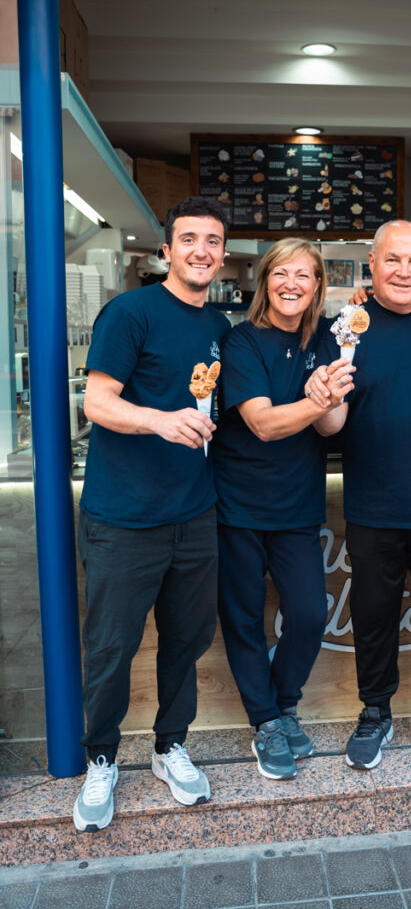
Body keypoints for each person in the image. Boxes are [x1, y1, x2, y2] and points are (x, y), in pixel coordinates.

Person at [73, 196, 231, 832]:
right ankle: (102, 760)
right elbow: (98, 403)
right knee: (111, 648)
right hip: (123, 518)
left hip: (195, 515)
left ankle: (170, 747)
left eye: (212, 241)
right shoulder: (129, 313)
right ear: (167, 249)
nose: (201, 250)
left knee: (186, 642)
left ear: (222, 253)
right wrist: (160, 420)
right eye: (188, 238)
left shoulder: (220, 326)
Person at [308, 220, 411, 770]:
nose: (404, 271)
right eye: (392, 260)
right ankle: (375, 711)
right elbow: (330, 427)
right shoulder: (345, 327)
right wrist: (324, 401)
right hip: (374, 504)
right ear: (372, 265)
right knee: (375, 615)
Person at [212, 238, 352, 780]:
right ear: (265, 280)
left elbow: (333, 428)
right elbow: (264, 424)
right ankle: (266, 721)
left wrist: (330, 398)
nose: (292, 284)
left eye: (305, 275)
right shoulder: (241, 341)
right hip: (239, 503)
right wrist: (316, 398)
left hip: (297, 505)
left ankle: (284, 698)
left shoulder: (328, 339)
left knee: (311, 614)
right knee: (244, 618)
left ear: (318, 285)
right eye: (281, 273)